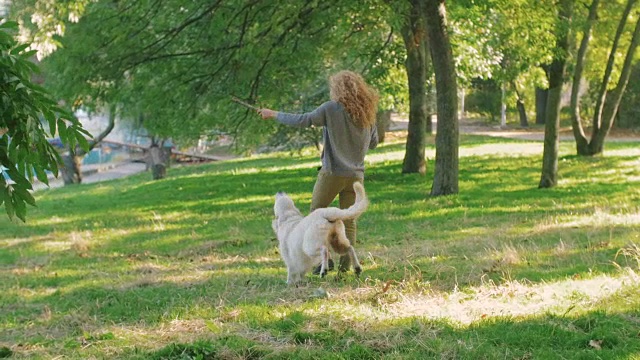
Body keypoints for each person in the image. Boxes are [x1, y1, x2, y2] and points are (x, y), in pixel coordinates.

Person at [258, 70, 379, 273]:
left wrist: (274, 114)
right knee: (349, 220)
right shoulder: (368, 112)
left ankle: (323, 258)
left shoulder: (331, 109)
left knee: (316, 213)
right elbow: (373, 143)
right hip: (356, 175)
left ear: (337, 89)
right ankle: (345, 269)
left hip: (332, 173)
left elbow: (303, 120)